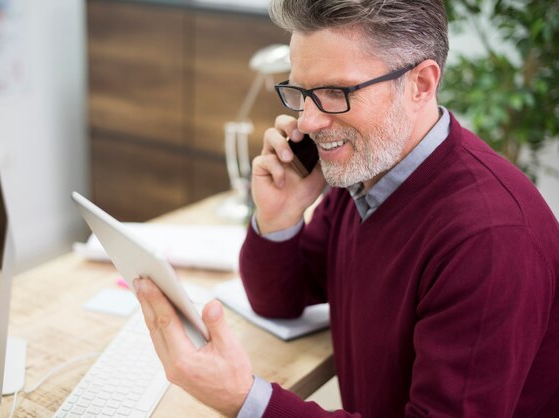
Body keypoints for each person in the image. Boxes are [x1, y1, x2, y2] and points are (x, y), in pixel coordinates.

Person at [134, 0, 559, 416]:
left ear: (422, 84)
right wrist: (280, 216)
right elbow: (281, 299)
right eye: (301, 92)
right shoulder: (367, 171)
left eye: (336, 92)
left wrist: (245, 401)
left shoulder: (491, 239)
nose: (308, 122)